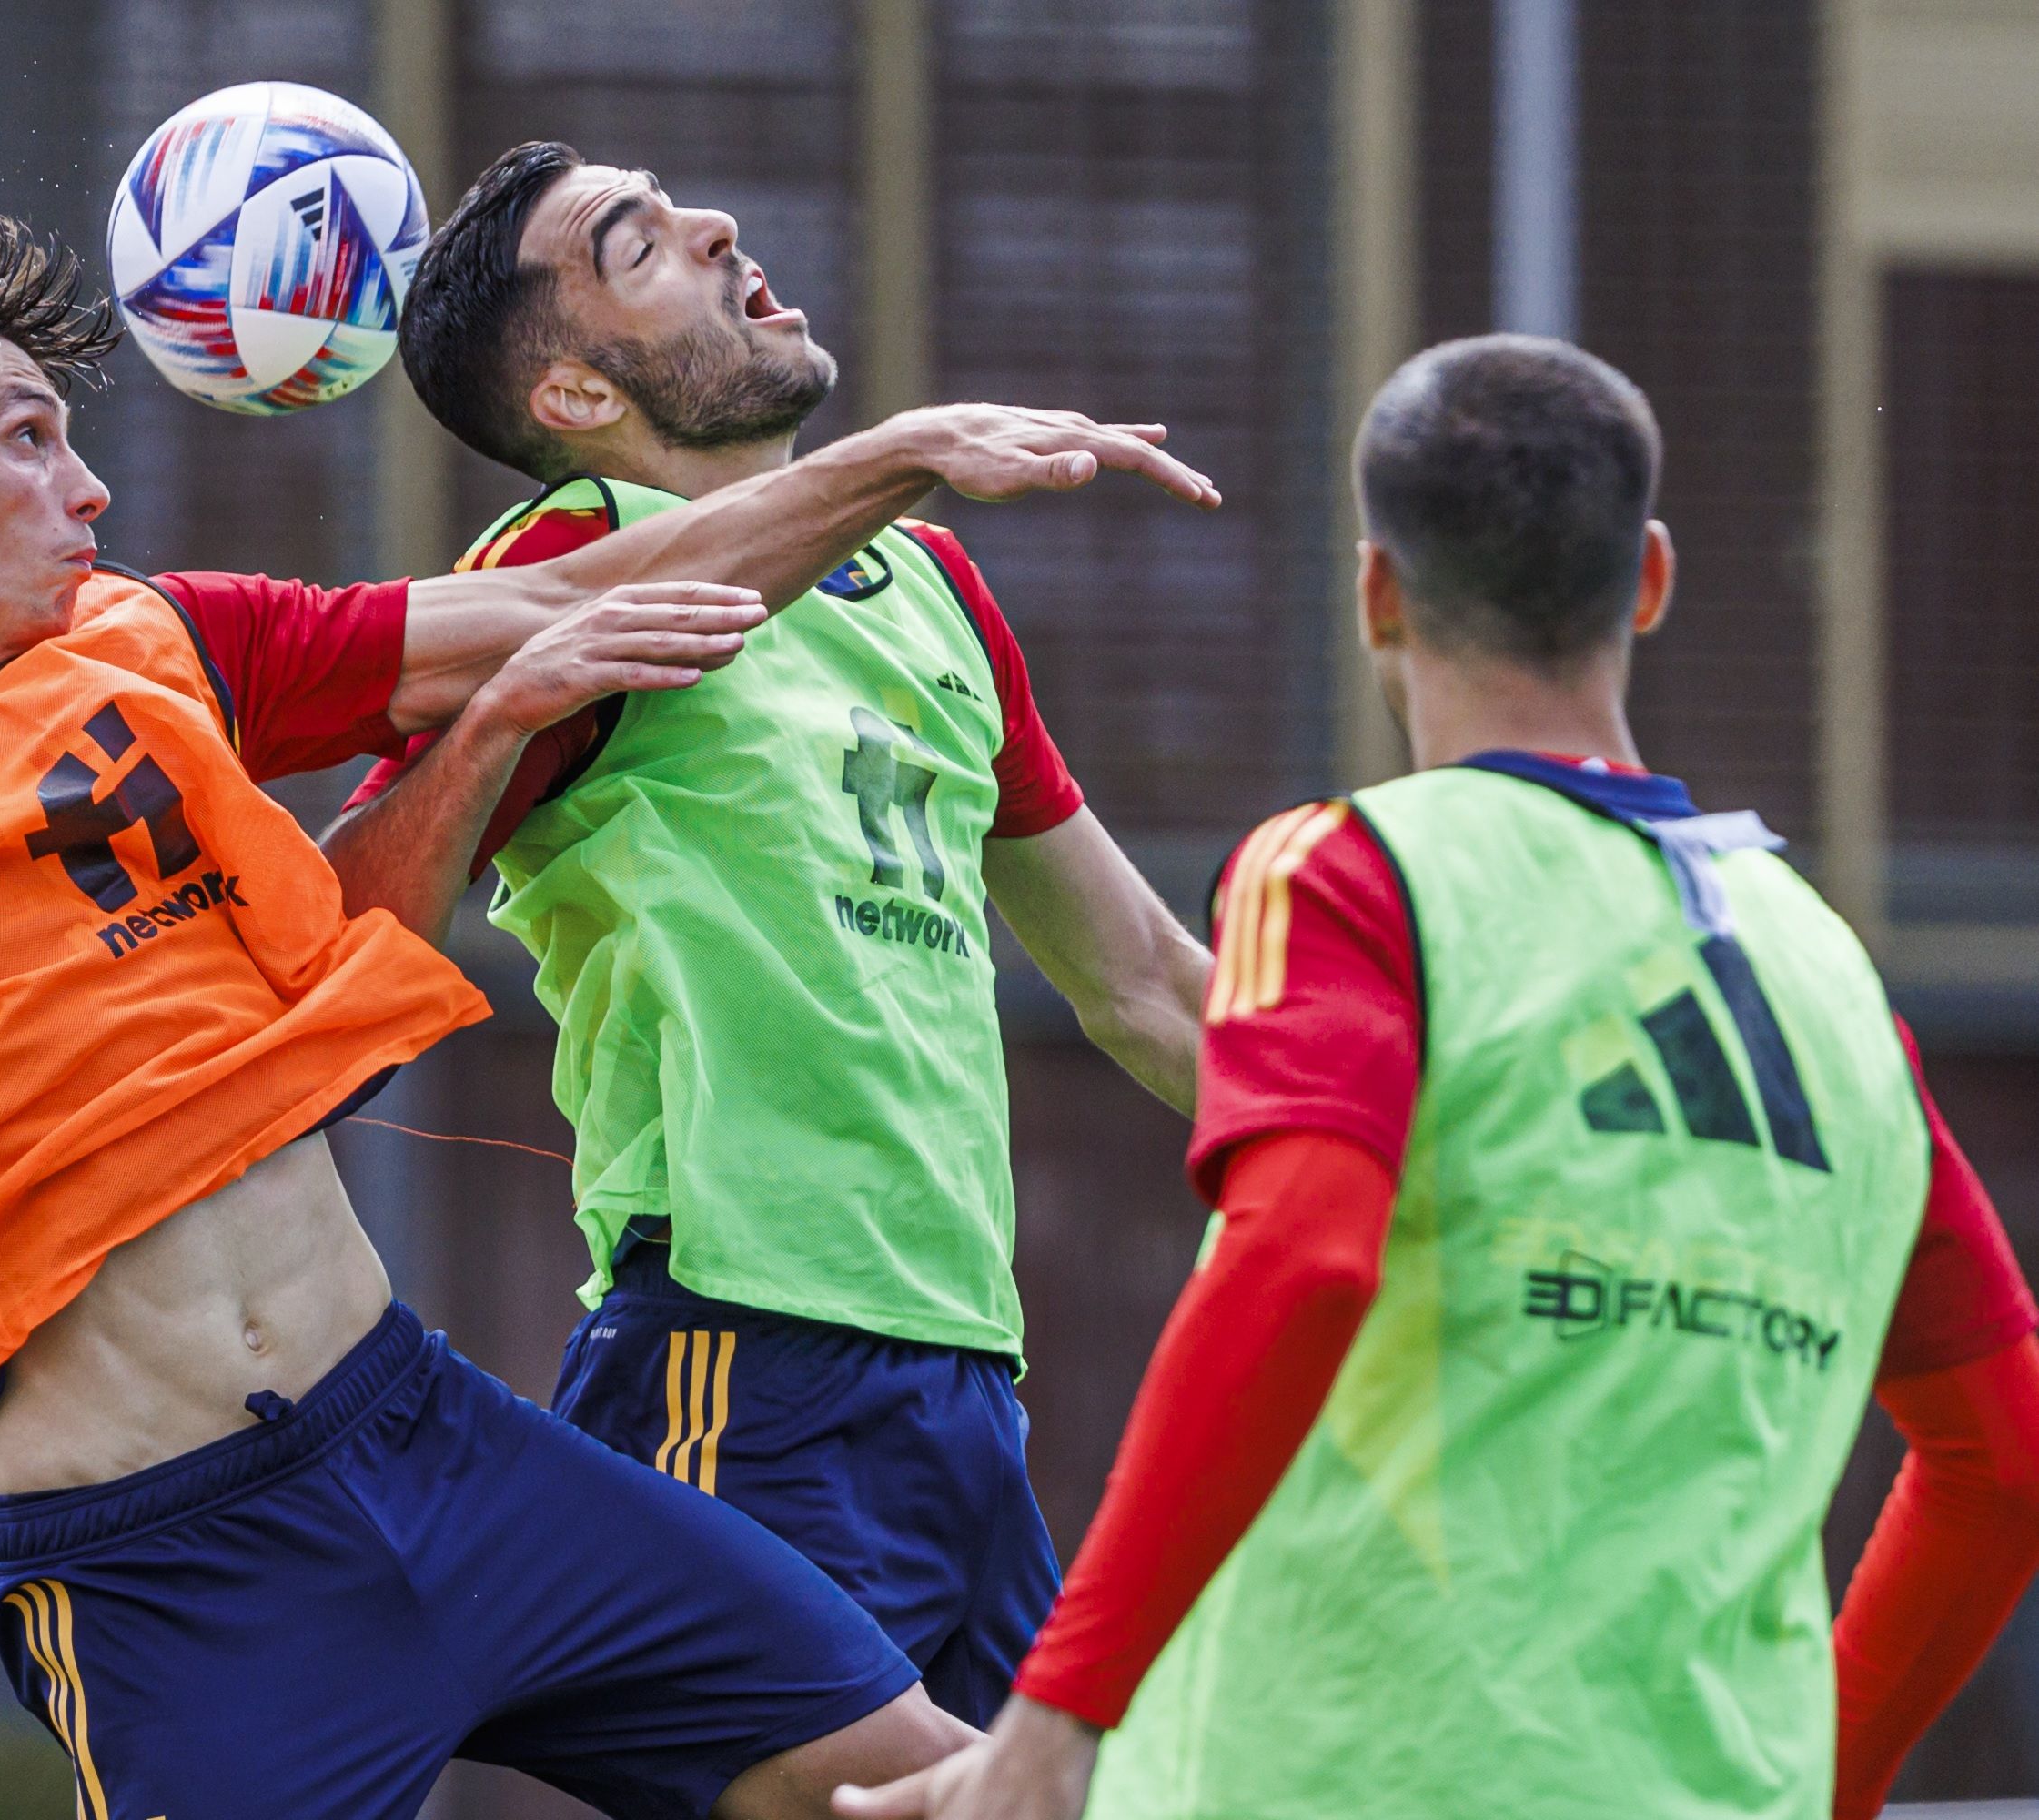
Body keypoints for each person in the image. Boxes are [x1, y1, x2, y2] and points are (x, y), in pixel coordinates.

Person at [0, 203, 1217, 1820]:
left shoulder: (159, 644)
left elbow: (602, 599)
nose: (88, 479)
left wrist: (891, 458)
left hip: (434, 1441)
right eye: (29, 436)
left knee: (962, 1792)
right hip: (170, 1561)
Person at [832, 335, 2039, 1820]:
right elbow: (2007, 1464)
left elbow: (1302, 1263)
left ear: (1377, 593)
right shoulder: (1831, 978)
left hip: (1349, 1781)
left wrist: (1058, 1715)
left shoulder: (1354, 875)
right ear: (1649, 580)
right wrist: (1825, 1779)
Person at [321, 141, 1220, 1725]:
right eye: (638, 243)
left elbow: (1144, 984)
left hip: (963, 1374)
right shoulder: (563, 570)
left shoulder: (931, 584)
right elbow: (340, 931)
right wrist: (492, 727)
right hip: (741, 1359)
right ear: (579, 397)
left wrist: (1417, 1176)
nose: (718, 225)